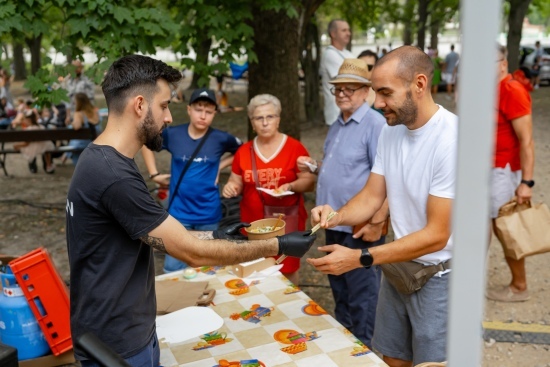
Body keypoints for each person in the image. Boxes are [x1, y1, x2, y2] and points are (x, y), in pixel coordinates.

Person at [66, 54, 316, 367]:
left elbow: (159, 234)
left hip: (120, 329)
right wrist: (277, 245)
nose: (169, 117)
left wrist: (216, 233)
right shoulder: (113, 175)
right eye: (165, 105)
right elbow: (191, 253)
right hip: (118, 341)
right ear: (140, 105)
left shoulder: (101, 160)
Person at [307, 46, 458, 366]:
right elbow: (372, 196)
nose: (378, 103)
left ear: (419, 84)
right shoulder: (392, 132)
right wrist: (336, 216)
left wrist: (361, 258)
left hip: (439, 277)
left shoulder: (451, 139)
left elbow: (436, 235)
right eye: (376, 92)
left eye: (385, 93)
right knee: (392, 357)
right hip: (398, 265)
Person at [297, 58, 387, 349]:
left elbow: (387, 178)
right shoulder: (338, 123)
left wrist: (377, 221)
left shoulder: (375, 125)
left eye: (351, 88)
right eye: (338, 89)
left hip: (361, 228)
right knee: (339, 287)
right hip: (333, 221)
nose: (343, 94)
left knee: (363, 294)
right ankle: (345, 345)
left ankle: (364, 350)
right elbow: (342, 168)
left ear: (365, 92)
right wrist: (314, 167)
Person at [141, 87, 242, 273]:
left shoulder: (221, 138)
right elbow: (146, 142)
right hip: (178, 214)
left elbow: (243, 151)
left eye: (208, 111)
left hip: (208, 213)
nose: (203, 115)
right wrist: (154, 174)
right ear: (189, 110)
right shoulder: (173, 134)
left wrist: (220, 165)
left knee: (209, 267)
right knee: (173, 268)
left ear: (214, 114)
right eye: (198, 109)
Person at [222, 94, 316, 285]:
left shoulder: (294, 148)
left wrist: (290, 185)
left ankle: (287, 306)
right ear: (252, 122)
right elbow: (236, 181)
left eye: (270, 117)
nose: (265, 123)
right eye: (259, 118)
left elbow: (309, 182)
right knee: (254, 269)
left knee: (286, 269)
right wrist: (231, 187)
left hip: (285, 223)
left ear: (278, 119)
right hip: (252, 225)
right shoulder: (244, 151)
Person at [486, 44, 535, 303]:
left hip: (501, 172)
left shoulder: (511, 89)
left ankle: (519, 286)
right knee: (480, 228)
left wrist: (526, 182)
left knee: (506, 230)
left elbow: (526, 140)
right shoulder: (488, 90)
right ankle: (470, 280)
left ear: (503, 64)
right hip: (485, 171)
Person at [320, 19, 353, 126]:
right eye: (344, 30)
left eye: (348, 30)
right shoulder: (330, 54)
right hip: (336, 113)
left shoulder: (348, 53)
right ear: (333, 34)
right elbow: (347, 79)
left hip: (350, 111)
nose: (348, 33)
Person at [65, 93, 101, 165]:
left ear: (79, 102)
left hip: (83, 143)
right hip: (96, 140)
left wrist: (71, 123)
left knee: (75, 143)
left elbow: (77, 126)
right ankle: (66, 155)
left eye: (75, 101)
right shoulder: (95, 111)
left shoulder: (79, 113)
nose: (74, 102)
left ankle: (66, 155)